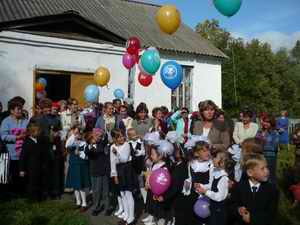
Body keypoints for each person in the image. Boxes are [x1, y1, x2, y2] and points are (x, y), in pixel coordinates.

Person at [230, 154, 279, 225]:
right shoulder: (239, 187)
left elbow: (271, 214)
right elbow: (231, 205)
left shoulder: (272, 189)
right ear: (250, 172)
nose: (267, 171)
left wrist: (252, 218)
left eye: (266, 167)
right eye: (262, 168)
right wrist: (238, 210)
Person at [0, 99, 28, 196]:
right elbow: (3, 136)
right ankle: (9, 193)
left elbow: (29, 131)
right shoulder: (6, 121)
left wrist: (27, 134)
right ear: (12, 111)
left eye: (21, 109)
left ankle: (20, 192)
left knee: (21, 173)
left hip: (22, 153)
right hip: (10, 153)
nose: (20, 111)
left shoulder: (25, 120)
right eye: (18, 109)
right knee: (11, 173)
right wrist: (17, 137)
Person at [182, 141, 213, 225]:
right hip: (194, 195)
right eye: (204, 151)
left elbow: (212, 182)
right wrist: (187, 189)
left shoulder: (210, 165)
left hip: (207, 196)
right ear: (196, 154)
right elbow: (189, 178)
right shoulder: (192, 164)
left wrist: (201, 187)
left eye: (208, 150)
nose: (207, 153)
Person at [196, 150, 230, 225]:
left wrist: (205, 192)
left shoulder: (224, 178)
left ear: (222, 162)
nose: (213, 159)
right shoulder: (216, 173)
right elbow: (211, 185)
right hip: (213, 208)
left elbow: (219, 197)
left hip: (219, 210)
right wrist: (201, 186)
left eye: (216, 157)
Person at [110, 128, 136, 225]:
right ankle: (126, 214)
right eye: (119, 137)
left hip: (126, 170)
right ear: (114, 138)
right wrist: (114, 175)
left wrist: (116, 153)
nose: (122, 138)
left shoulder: (126, 145)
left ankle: (131, 217)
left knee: (128, 193)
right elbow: (112, 162)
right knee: (122, 193)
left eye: (122, 136)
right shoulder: (112, 146)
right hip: (119, 171)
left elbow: (124, 159)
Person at [145, 144, 172, 225]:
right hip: (152, 190)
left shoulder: (164, 167)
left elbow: (162, 182)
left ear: (160, 156)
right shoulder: (154, 164)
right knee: (152, 204)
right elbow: (150, 175)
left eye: (153, 154)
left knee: (159, 208)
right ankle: (153, 217)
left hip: (160, 192)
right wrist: (147, 183)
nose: (151, 156)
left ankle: (161, 220)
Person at [85, 129, 110, 216]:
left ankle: (107, 207)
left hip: (104, 171)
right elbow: (87, 152)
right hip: (94, 172)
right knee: (96, 191)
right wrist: (91, 144)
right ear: (92, 137)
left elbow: (106, 139)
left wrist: (107, 131)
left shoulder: (102, 144)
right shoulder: (88, 146)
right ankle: (96, 207)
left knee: (105, 191)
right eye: (96, 136)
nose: (98, 138)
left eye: (100, 136)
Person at [65, 125, 90, 212]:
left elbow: (85, 155)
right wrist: (73, 135)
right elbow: (67, 145)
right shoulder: (71, 140)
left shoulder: (83, 142)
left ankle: (84, 203)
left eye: (78, 133)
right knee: (75, 186)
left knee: (80, 185)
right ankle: (78, 202)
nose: (76, 134)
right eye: (75, 133)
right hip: (73, 164)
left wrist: (79, 153)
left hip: (80, 165)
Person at [19, 123, 43, 201]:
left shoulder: (38, 141)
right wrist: (22, 169)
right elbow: (22, 156)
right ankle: (31, 198)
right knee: (31, 182)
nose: (39, 132)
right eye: (37, 131)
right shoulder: (27, 142)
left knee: (38, 181)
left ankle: (38, 197)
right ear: (32, 132)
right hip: (30, 166)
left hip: (38, 165)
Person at [256, 116, 279, 184]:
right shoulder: (259, 132)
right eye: (265, 121)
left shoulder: (275, 133)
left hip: (270, 157)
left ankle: (272, 191)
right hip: (260, 157)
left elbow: (274, 147)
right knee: (260, 175)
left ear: (271, 123)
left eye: (268, 122)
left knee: (270, 176)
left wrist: (262, 145)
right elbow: (255, 143)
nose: (266, 123)